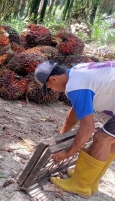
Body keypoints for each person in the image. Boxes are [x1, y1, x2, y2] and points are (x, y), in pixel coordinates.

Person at [34, 61, 115, 198]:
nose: (53, 90)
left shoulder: (75, 85)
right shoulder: (78, 72)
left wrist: (69, 152)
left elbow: (88, 127)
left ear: (53, 79)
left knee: (101, 138)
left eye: (50, 87)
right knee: (111, 140)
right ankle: (91, 181)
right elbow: (77, 110)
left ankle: (81, 185)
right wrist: (62, 134)